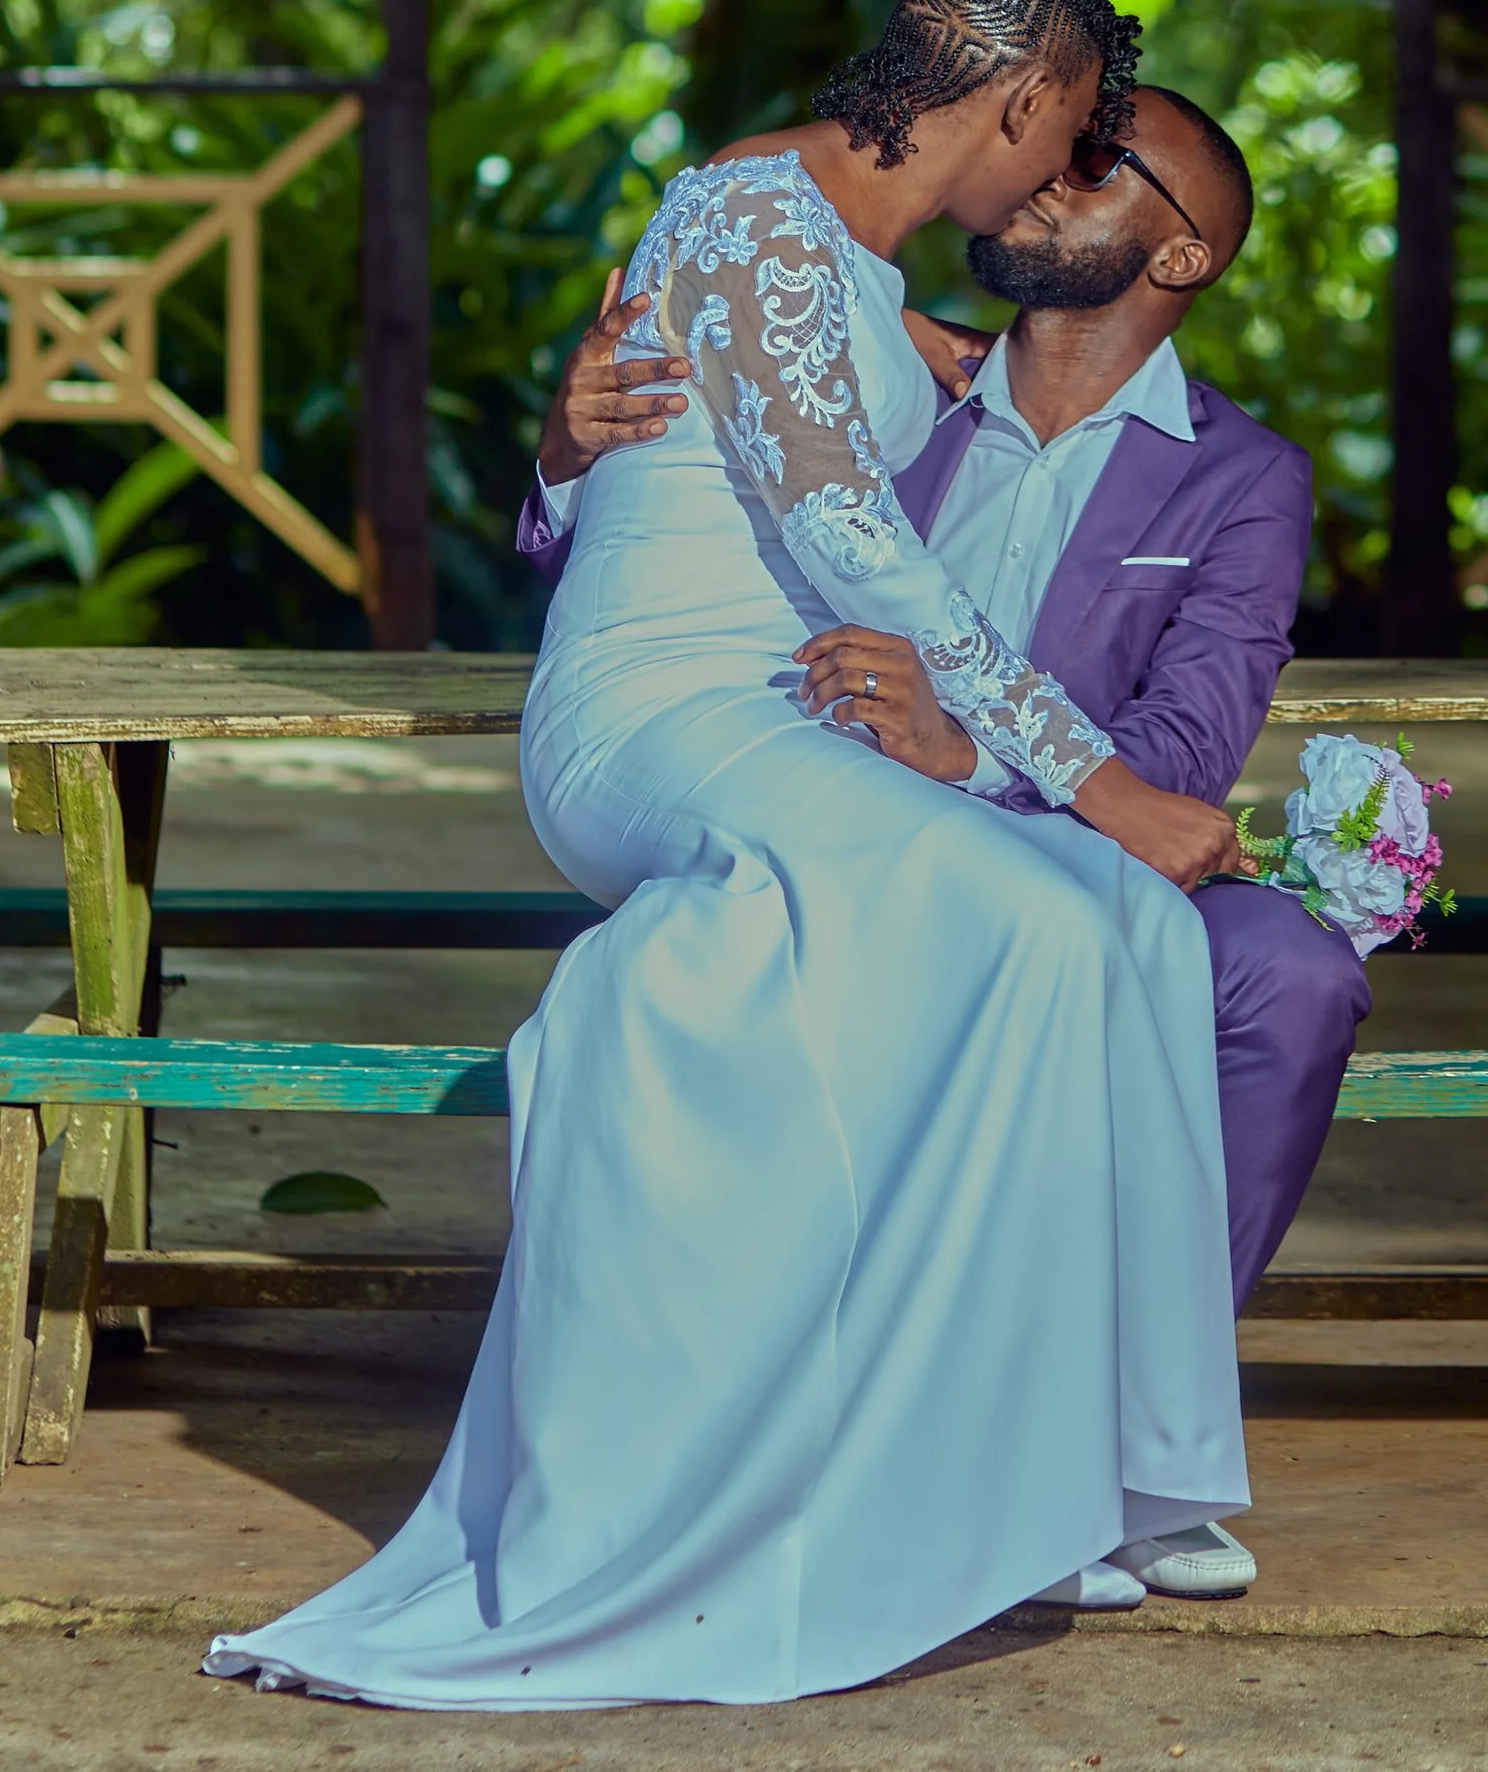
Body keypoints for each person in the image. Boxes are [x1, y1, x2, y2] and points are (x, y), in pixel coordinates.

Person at [207, 0, 1248, 1711]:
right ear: (1014, 100)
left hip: (790, 720)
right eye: (1071, 137)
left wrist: (1099, 823)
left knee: (1121, 932)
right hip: (651, 715)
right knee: (1045, 893)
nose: (1056, 182)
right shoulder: (748, 217)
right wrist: (1095, 779)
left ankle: (1134, 1471)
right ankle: (941, 1471)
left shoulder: (849, 269)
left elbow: (773, 450)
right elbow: (854, 543)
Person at [530, 82, 1369, 1605]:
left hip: (1070, 821)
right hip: (830, 801)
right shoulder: (881, 379)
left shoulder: (1240, 478)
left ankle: (1125, 1439)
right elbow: (676, 520)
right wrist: (566, 439)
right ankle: (935, 1438)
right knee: (983, 938)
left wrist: (970, 751)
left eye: (1106, 162)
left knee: (1284, 976)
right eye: (1064, 139)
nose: (1055, 171)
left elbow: (1181, 765)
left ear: (1178, 260)